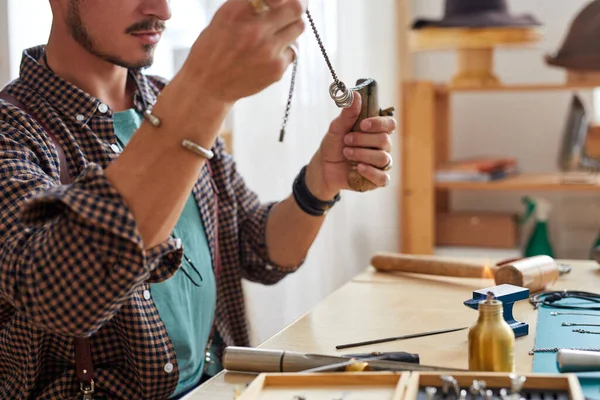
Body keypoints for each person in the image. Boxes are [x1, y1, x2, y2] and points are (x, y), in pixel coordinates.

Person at [0, 0, 396, 398]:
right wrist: (205, 91)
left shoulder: (165, 99)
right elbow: (56, 293)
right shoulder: (11, 131)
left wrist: (320, 183)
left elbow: (258, 249)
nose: (162, 10)